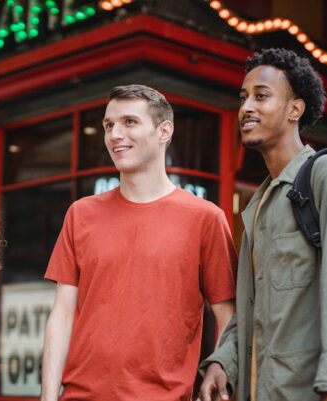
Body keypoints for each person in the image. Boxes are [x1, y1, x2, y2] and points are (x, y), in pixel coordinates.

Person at [197, 48, 327, 401]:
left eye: (261, 96)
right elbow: (252, 311)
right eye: (243, 97)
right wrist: (223, 364)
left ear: (294, 110)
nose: (246, 108)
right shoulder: (260, 205)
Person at [41, 84, 237, 401]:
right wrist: (47, 397)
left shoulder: (206, 219)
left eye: (129, 122)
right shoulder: (81, 214)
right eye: (109, 125)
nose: (115, 134)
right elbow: (62, 315)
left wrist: (220, 369)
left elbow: (228, 317)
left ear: (164, 131)